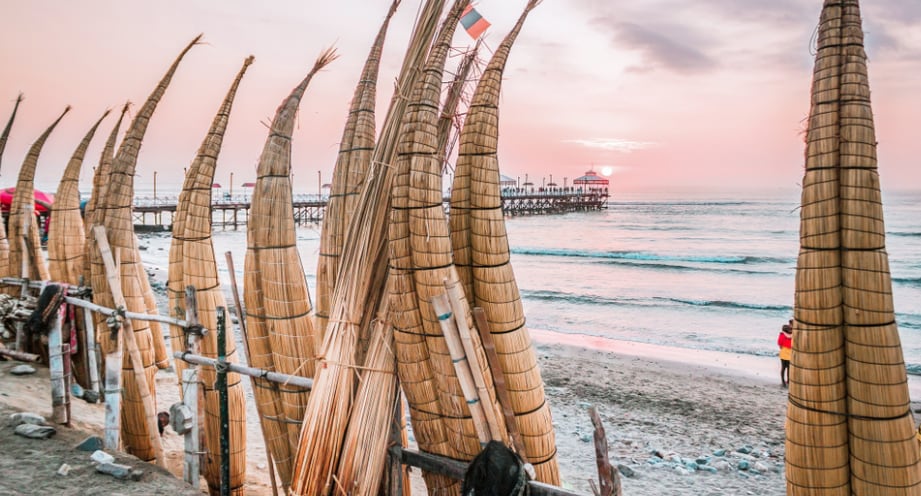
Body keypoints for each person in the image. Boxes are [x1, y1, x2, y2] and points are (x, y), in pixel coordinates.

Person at [778, 323, 793, 388]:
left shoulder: (781, 335)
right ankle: (788, 381)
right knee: (789, 369)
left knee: (783, 368)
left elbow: (779, 344)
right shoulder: (793, 336)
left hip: (783, 353)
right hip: (790, 353)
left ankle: (783, 381)